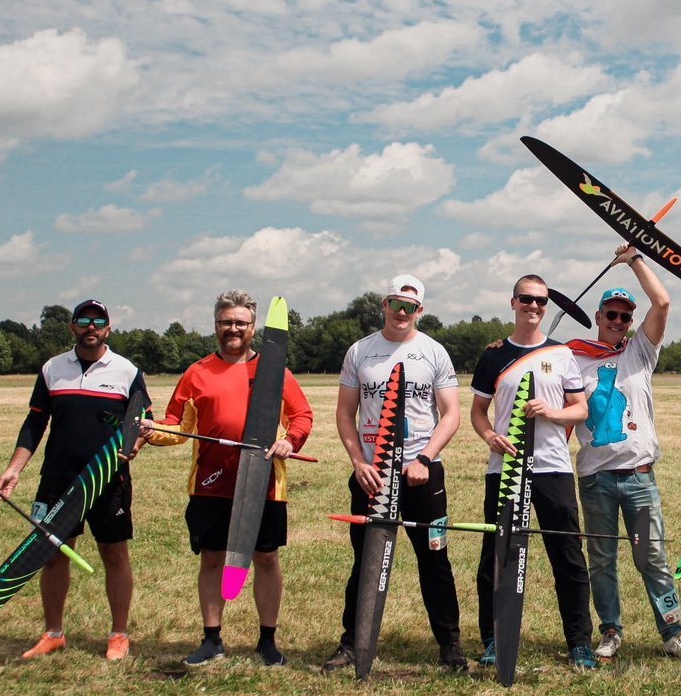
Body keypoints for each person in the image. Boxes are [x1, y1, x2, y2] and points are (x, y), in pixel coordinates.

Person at [142, 290, 313, 666]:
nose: (232, 329)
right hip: (211, 482)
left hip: (265, 482)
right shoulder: (197, 373)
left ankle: (267, 641)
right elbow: (177, 427)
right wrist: (151, 431)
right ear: (216, 325)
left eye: (240, 322)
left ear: (253, 327)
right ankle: (212, 639)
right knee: (212, 559)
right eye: (225, 322)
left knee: (266, 558)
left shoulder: (274, 371)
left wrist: (290, 441)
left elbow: (302, 415)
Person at [323, 275, 467, 672]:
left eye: (410, 306)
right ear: (384, 305)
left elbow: (450, 414)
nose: (402, 312)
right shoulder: (360, 351)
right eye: (395, 304)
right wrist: (358, 462)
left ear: (420, 311)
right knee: (365, 560)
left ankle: (450, 646)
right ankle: (352, 643)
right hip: (372, 476)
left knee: (434, 558)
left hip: (423, 474)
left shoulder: (434, 352)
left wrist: (425, 459)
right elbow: (344, 413)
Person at [569, 245, 681, 663]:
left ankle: (673, 633)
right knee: (601, 560)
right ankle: (610, 631)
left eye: (625, 316)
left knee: (652, 558)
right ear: (598, 317)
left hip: (638, 478)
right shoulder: (574, 358)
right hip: (595, 479)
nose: (618, 321)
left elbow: (661, 302)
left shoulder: (640, 352)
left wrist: (634, 260)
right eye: (611, 314)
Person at [0, 299, 148, 661]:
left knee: (114, 553)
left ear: (108, 328)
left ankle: (119, 635)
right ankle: (53, 633)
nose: (90, 326)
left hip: (107, 479)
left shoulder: (127, 371)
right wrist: (15, 468)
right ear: (73, 327)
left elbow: (142, 422)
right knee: (52, 555)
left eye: (98, 321)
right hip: (58, 478)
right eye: (83, 320)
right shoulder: (52, 369)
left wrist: (135, 445)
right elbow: (35, 422)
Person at [470, 274, 596, 669]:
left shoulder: (561, 354)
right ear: (513, 302)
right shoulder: (493, 355)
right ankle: (493, 639)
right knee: (497, 555)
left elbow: (580, 409)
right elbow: (478, 411)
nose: (534, 306)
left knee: (568, 556)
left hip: (552, 467)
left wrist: (551, 412)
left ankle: (580, 643)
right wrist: (489, 435)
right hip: (505, 468)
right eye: (526, 299)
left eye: (541, 301)